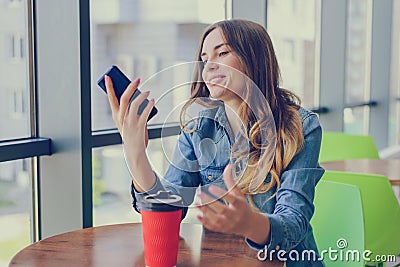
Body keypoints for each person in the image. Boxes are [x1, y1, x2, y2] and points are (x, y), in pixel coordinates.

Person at [105, 19, 325, 266]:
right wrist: (135, 154)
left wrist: (249, 222)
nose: (209, 66)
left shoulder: (301, 127)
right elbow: (169, 211)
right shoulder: (199, 128)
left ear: (254, 59)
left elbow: (294, 225)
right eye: (204, 58)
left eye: (222, 53)